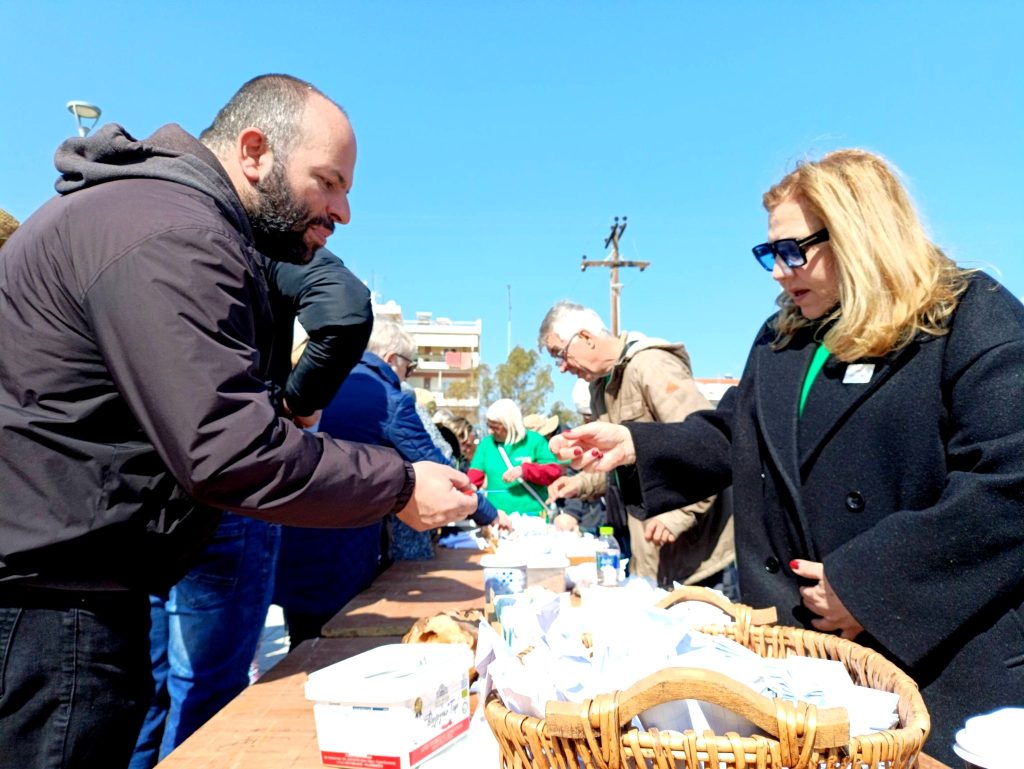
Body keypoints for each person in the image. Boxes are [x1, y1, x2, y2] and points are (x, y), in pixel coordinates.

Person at [0, 74, 475, 769]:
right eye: (328, 182)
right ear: (254, 151)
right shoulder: (174, 233)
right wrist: (400, 485)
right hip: (53, 606)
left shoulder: (163, 218)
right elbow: (229, 448)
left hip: (65, 588)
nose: (342, 211)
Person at [550, 149, 1024, 765]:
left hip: (941, 667)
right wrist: (639, 444)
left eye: (793, 251)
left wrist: (868, 585)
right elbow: (736, 435)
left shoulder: (971, 316)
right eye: (769, 254)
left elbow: (1010, 481)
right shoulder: (784, 337)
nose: (779, 271)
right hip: (808, 673)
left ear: (860, 233)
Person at [130, 249, 373, 769]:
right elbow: (346, 308)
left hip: (149, 492)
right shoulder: (264, 243)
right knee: (205, 689)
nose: (338, 212)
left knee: (148, 686)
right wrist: (295, 404)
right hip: (227, 493)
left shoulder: (152, 240)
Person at [274, 319, 510, 648]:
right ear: (390, 358)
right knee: (341, 647)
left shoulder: (319, 377)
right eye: (409, 367)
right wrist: (488, 512)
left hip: (292, 534)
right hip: (347, 543)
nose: (406, 375)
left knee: (301, 646)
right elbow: (440, 469)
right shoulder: (388, 398)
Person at [538, 302, 735, 592]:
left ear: (586, 338)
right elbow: (621, 465)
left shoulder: (650, 365)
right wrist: (580, 483)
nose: (563, 367)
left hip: (699, 565)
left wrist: (676, 516)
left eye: (561, 354)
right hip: (653, 561)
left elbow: (710, 448)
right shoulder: (599, 390)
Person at [468, 398, 563, 516]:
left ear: (509, 425)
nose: (490, 431)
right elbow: (473, 478)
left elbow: (554, 471)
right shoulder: (486, 445)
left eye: (495, 427)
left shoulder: (535, 441)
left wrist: (525, 470)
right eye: (489, 426)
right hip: (498, 516)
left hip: (534, 515)